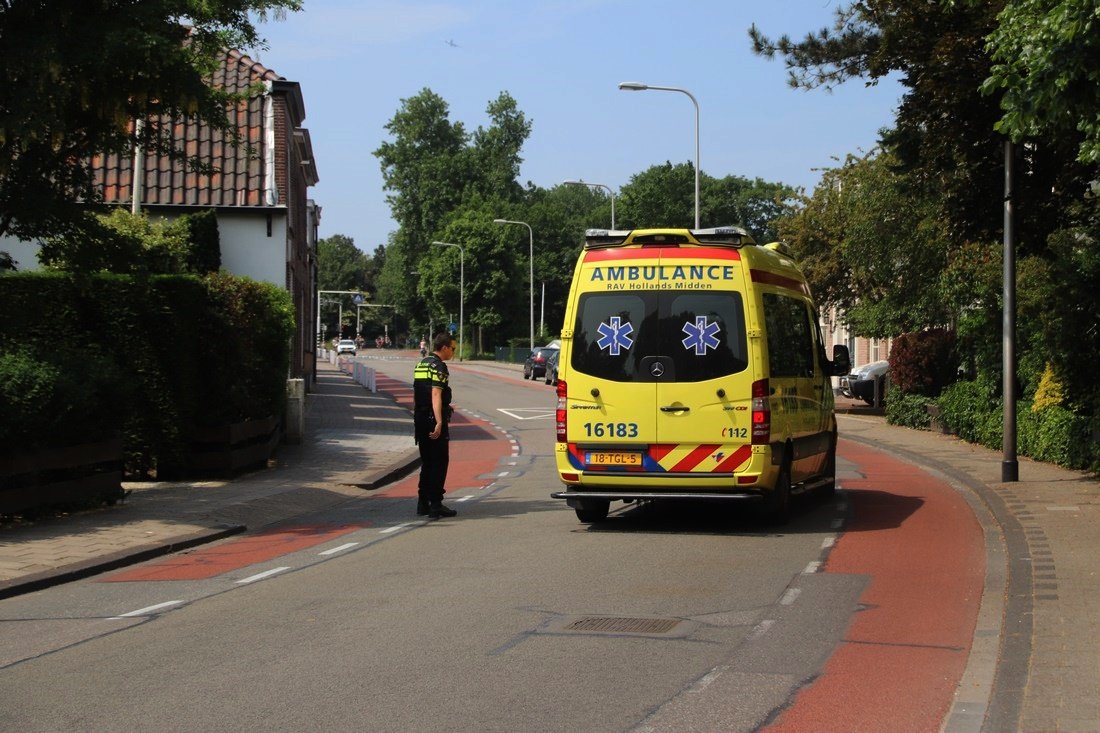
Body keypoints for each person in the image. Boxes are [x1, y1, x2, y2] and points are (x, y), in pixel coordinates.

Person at [413, 332, 458, 519]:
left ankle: (422, 503)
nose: (454, 352)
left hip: (420, 417)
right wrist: (439, 421)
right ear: (445, 347)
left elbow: (418, 392)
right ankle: (436, 504)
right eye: (453, 349)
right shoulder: (439, 366)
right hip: (433, 417)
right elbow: (436, 394)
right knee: (439, 461)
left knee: (427, 461)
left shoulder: (421, 363)